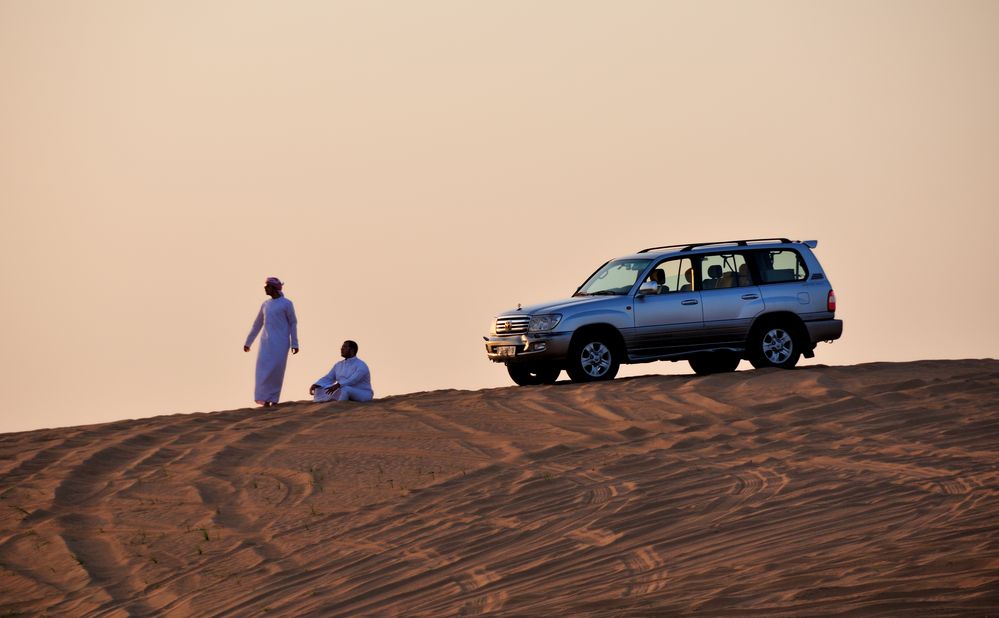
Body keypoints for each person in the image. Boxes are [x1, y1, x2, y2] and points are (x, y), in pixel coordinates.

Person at [244, 277, 299, 407]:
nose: (264, 288)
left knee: (276, 371)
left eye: (267, 286)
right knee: (262, 371)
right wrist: (248, 342)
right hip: (265, 343)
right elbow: (257, 324)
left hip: (281, 343)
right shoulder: (265, 304)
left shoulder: (286, 304)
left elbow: (293, 323)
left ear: (273, 288)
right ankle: (264, 399)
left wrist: (294, 343)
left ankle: (273, 399)